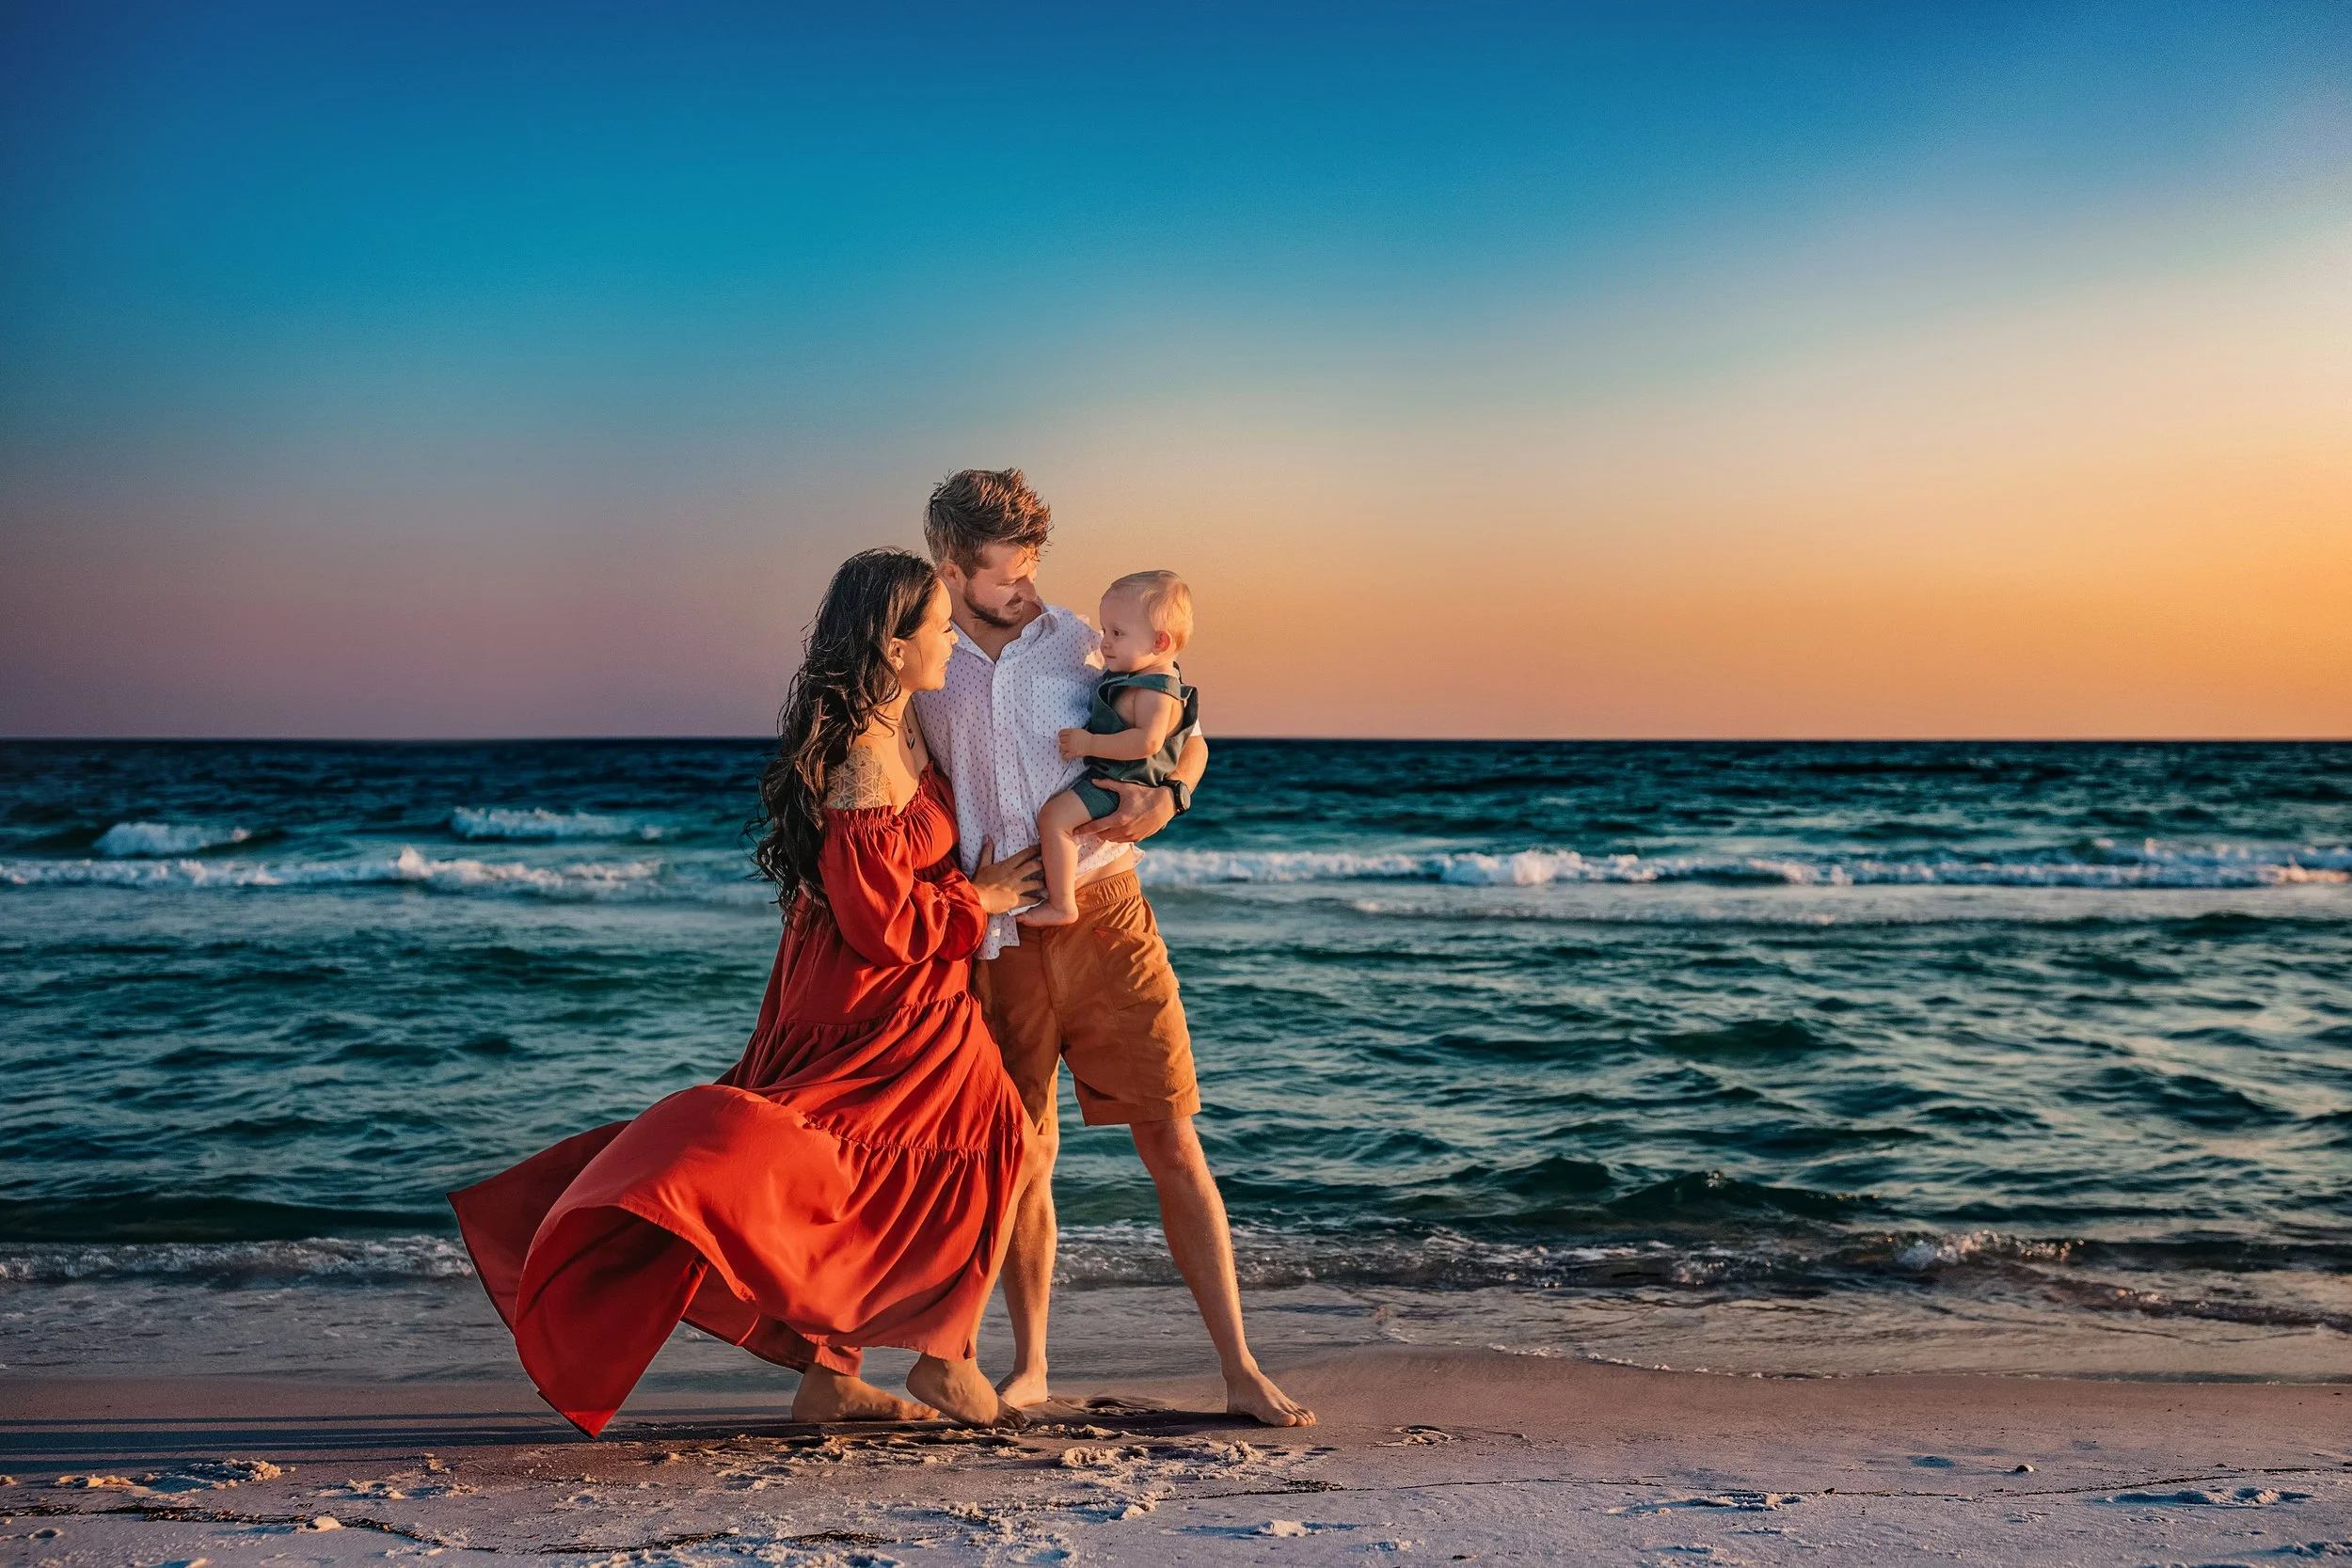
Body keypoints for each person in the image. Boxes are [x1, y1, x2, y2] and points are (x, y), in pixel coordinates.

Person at [449, 548, 1044, 1435]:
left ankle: (833, 1377)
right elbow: (877, 919)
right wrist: (982, 897)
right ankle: (943, 1359)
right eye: (937, 628)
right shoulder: (859, 756)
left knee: (882, 1166)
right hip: (873, 997)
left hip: (907, 995)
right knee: (972, 1144)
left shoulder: (908, 720)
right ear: (890, 645)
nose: (952, 643)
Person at [910, 468, 1314, 1427]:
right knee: (1020, 1157)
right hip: (999, 936)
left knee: (1172, 1135)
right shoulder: (924, 662)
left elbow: (1191, 726)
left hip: (1107, 915)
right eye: (1009, 575)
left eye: (1034, 566)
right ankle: (1030, 1364)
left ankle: (1239, 1365)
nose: (1029, 589)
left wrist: (1169, 797)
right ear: (954, 570)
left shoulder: (1085, 642)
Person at [1021, 570, 1199, 928]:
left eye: (1117, 634)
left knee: (1054, 819)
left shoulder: (1155, 691)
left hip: (1121, 783)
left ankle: (1061, 903)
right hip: (1116, 778)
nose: (1104, 643)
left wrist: (1090, 743)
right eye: (1104, 631)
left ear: (1160, 643)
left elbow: (1147, 742)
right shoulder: (1138, 677)